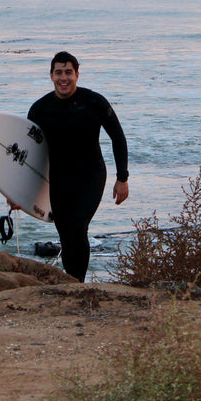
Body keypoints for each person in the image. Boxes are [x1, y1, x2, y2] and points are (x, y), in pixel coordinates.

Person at [24, 51, 129, 282]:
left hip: (90, 175)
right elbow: (29, 154)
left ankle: (77, 283)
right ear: (51, 75)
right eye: (58, 72)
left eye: (68, 72)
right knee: (65, 232)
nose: (64, 78)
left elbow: (118, 138)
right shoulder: (39, 109)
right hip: (58, 178)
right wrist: (17, 192)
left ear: (77, 75)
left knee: (78, 227)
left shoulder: (94, 102)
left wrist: (122, 178)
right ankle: (72, 283)